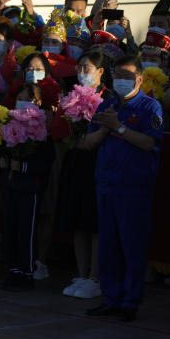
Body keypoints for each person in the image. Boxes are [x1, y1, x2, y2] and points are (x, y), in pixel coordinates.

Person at [82, 56, 164, 321]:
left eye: (127, 75)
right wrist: (107, 129)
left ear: (139, 78)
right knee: (108, 245)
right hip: (106, 184)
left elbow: (149, 143)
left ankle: (130, 301)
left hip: (134, 187)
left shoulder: (150, 107)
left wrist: (118, 126)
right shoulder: (106, 105)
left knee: (132, 246)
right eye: (118, 75)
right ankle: (111, 297)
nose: (122, 80)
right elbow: (87, 142)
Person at [59, 51, 109, 299]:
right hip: (76, 163)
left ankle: (95, 277)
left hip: (98, 165)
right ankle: (81, 273)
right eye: (80, 67)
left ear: (101, 72)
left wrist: (87, 140)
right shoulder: (71, 95)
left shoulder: (108, 99)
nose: (82, 72)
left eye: (87, 68)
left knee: (94, 223)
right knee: (78, 221)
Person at [0, 85, 55, 291]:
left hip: (29, 187)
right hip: (11, 183)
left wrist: (23, 166)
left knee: (26, 229)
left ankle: (26, 270)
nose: (22, 102)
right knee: (10, 227)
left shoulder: (41, 129)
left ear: (37, 103)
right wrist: (4, 161)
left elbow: (46, 160)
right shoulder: (9, 121)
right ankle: (13, 268)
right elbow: (2, 147)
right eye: (19, 98)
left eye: (27, 99)